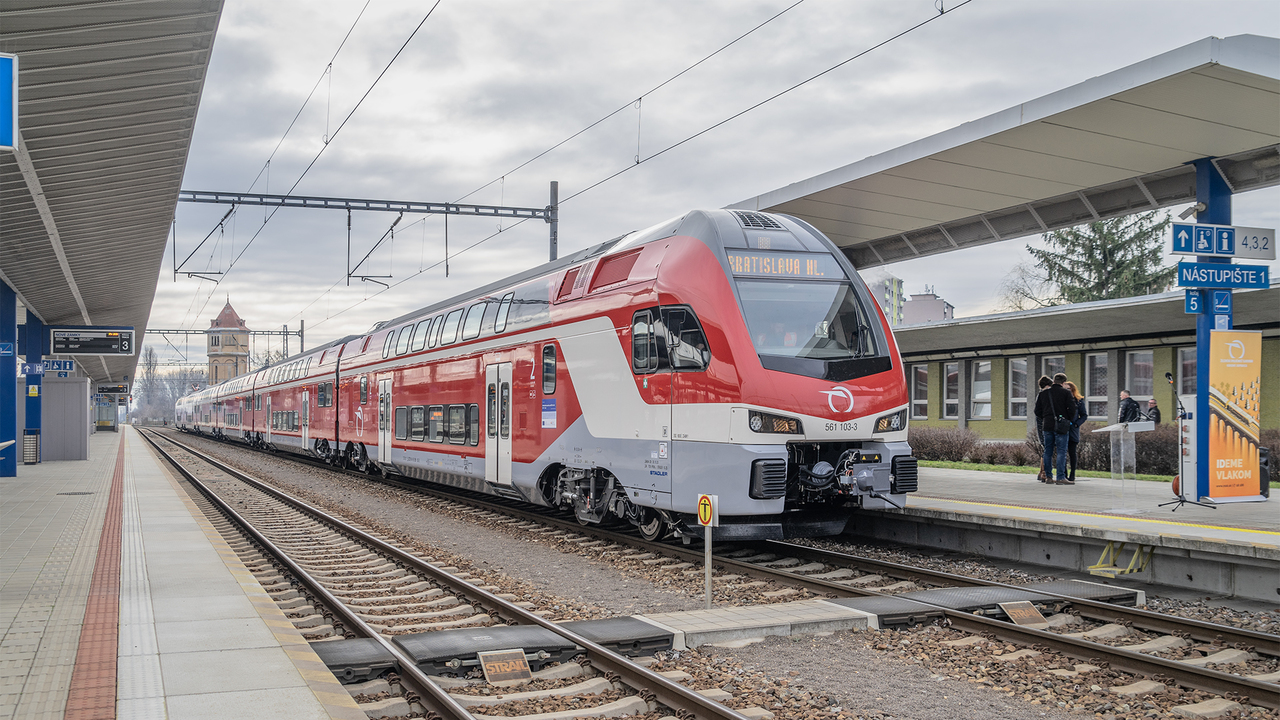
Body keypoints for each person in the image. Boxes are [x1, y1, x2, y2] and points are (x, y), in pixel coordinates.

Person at [1035, 373, 1077, 485]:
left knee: (1047, 451)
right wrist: (1067, 419)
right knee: (1061, 452)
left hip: (1047, 426)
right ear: (1063, 382)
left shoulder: (1043, 394)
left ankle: (1048, 476)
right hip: (1061, 426)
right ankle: (1060, 477)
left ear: (1053, 381)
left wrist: (1046, 417)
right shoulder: (1066, 393)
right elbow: (1072, 409)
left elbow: (1037, 411)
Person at [1063, 381, 1088, 483]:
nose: (1066, 391)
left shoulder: (1079, 401)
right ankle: (1063, 474)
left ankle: (1072, 474)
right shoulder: (1061, 400)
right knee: (1062, 453)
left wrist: (1076, 424)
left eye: (1068, 389)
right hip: (1063, 429)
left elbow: (1084, 415)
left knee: (1072, 453)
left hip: (1073, 430)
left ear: (1073, 389)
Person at [1034, 376, 1053, 483]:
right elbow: (1038, 411)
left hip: (1042, 424)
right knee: (1047, 448)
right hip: (1045, 425)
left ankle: (1042, 473)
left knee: (1046, 448)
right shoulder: (1043, 395)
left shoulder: (1040, 395)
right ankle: (1043, 473)